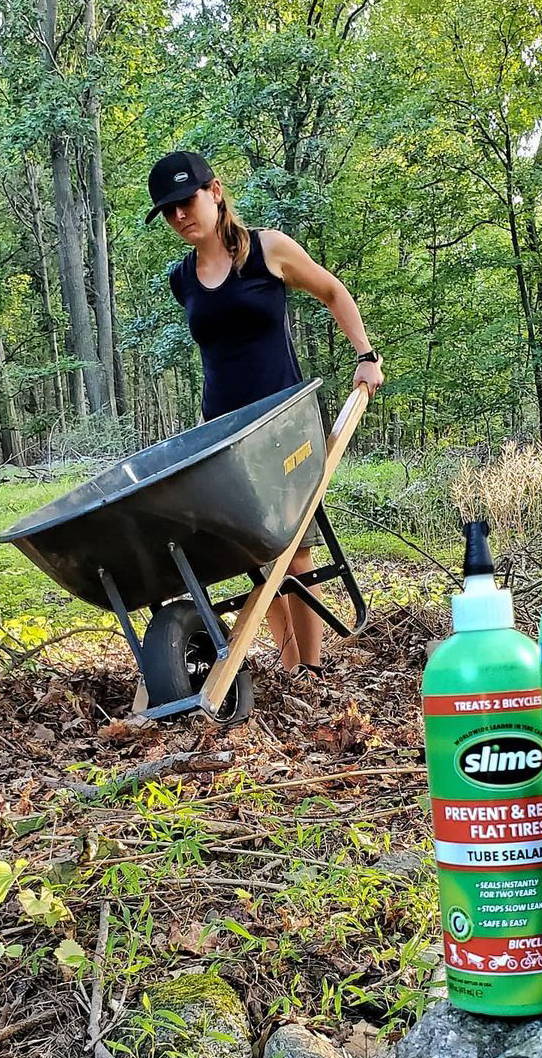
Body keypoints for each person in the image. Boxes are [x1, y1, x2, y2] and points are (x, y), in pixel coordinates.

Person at [146, 150, 383, 677]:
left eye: (186, 201)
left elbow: (331, 291)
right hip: (225, 437)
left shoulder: (268, 250)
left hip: (284, 425)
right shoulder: (180, 278)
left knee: (294, 552)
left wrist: (365, 355)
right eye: (168, 210)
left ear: (215, 191)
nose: (180, 216)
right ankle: (288, 664)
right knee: (254, 559)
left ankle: (312, 671)